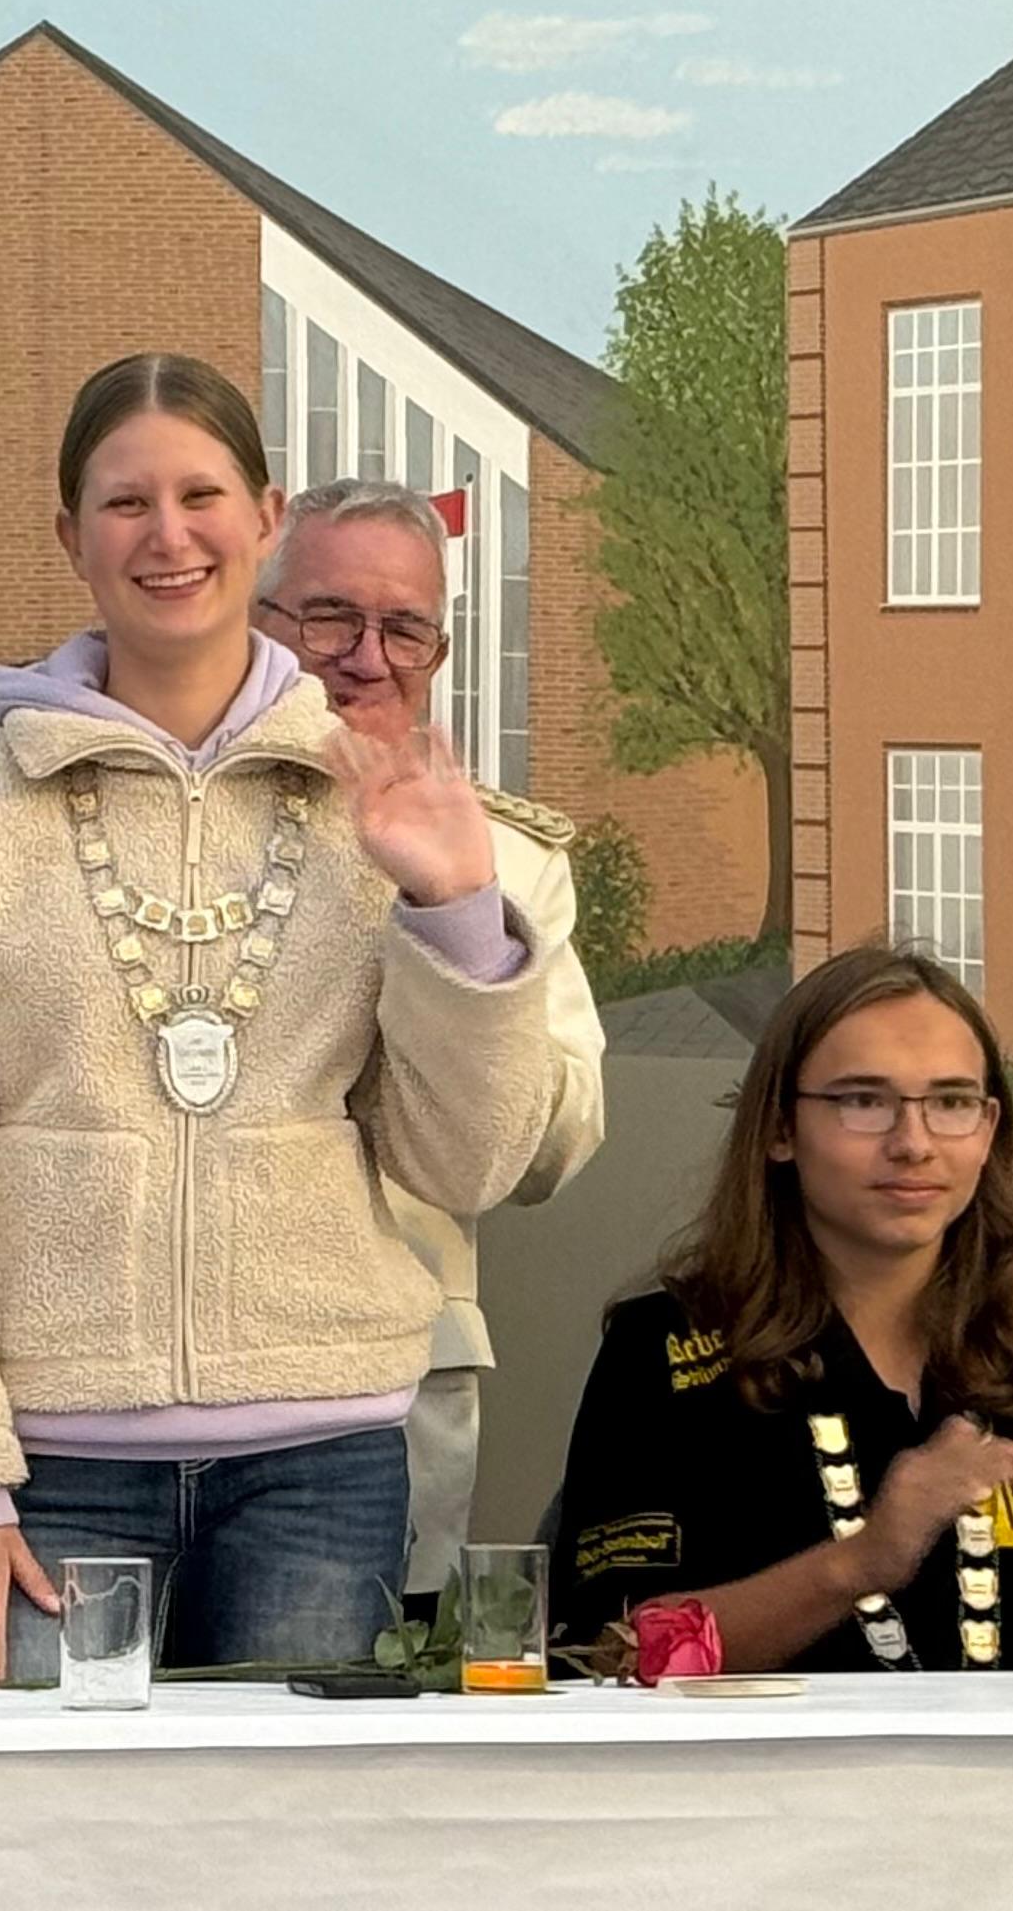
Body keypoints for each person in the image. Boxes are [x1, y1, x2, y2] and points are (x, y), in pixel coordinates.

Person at [0, 352, 572, 1683]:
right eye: (125, 503)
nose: (166, 536)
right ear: (70, 534)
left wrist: (459, 913)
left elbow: (464, 1164)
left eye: (200, 496)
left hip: (319, 1460)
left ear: (264, 517)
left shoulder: (377, 801)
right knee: (39, 1817)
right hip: (41, 1461)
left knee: (281, 1817)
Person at [551, 945, 1013, 1672]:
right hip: (771, 1750)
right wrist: (862, 1559)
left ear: (988, 1130)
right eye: (863, 1101)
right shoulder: (663, 1347)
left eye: (950, 1102)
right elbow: (609, 1651)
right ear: (779, 1129)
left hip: (1012, 1753)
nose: (912, 1143)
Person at [251, 478, 606, 1616]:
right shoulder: (166, 825)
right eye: (328, 619)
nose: (367, 658)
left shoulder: (506, 860)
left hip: (388, 1384)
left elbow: (554, 1149)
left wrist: (464, 951)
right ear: (255, 616)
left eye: (405, 629)